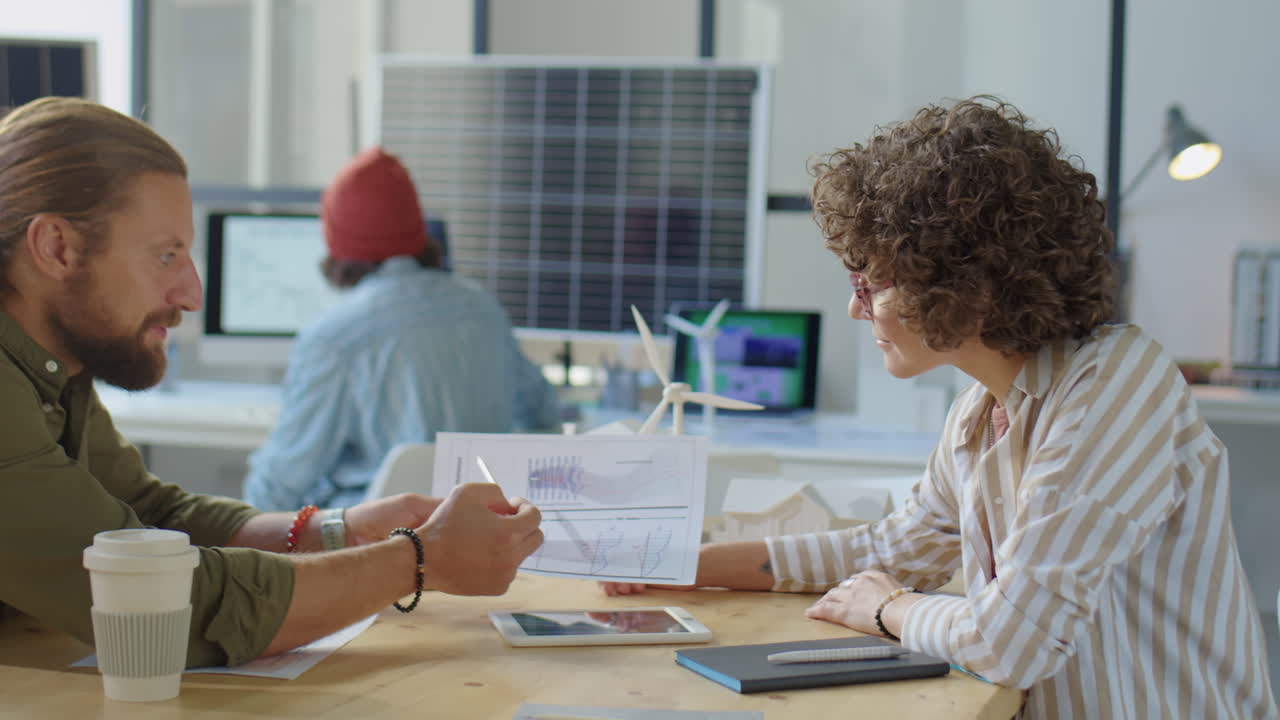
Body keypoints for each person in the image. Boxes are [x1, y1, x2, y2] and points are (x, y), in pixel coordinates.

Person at [601, 97, 1277, 718]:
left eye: (871, 284)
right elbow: (887, 550)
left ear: (969, 282)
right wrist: (680, 562)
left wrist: (890, 609)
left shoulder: (1118, 385)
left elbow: (1012, 643)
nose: (854, 307)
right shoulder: (980, 415)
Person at [0, 96, 544, 668]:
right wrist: (421, 559)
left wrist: (344, 530)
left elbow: (149, 515)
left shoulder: (56, 371)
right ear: (57, 248)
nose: (192, 294)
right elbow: (166, 609)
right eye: (165, 256)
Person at [242, 146, 559, 511]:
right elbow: (544, 413)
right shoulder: (483, 309)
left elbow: (286, 478)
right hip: (480, 536)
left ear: (337, 244)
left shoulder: (334, 339)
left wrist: (238, 545)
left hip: (378, 544)